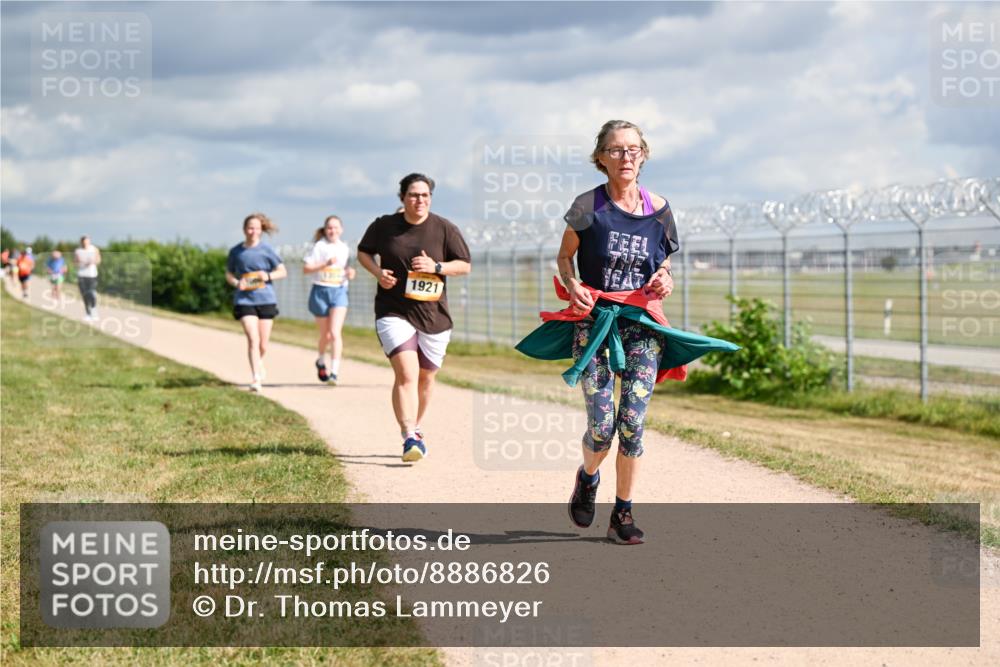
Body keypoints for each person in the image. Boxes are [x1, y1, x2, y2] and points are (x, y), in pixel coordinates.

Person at [516, 120, 738, 545]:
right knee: (602, 427)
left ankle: (623, 513)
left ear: (644, 155)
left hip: (642, 325)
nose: (626, 157)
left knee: (632, 423)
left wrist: (665, 278)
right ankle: (588, 476)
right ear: (600, 157)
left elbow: (664, 263)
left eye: (634, 149)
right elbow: (565, 258)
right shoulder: (587, 205)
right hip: (596, 323)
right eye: (616, 150)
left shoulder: (660, 208)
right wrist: (574, 284)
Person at [357, 173, 472, 462]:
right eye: (413, 195)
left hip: (434, 316)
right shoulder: (384, 227)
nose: (419, 200)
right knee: (406, 373)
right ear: (402, 198)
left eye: (424, 195)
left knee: (426, 378)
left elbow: (464, 265)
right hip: (393, 310)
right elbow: (363, 252)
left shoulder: (444, 228)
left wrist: (436, 266)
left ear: (430, 198)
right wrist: (377, 272)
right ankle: (408, 435)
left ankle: (416, 427)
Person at [225, 213, 287, 392]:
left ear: (261, 230)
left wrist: (266, 275)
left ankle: (259, 361)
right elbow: (229, 274)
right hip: (244, 300)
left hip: (266, 299)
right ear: (245, 230)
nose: (253, 231)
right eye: (250, 228)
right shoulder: (236, 252)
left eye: (256, 228)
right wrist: (238, 283)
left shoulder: (267, 250)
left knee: (263, 344)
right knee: (253, 339)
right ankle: (255, 378)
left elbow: (282, 271)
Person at [303, 215, 356, 385]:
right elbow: (306, 269)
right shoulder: (319, 246)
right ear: (325, 230)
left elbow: (346, 268)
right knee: (325, 335)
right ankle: (320, 359)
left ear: (341, 229)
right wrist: (324, 264)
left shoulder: (344, 248)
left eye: (335, 227)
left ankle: (334, 372)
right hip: (320, 290)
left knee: (335, 333)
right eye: (329, 228)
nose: (332, 231)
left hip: (339, 290)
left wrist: (350, 272)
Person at [74, 236, 102, 320]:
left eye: (87, 242)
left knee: (91, 293)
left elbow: (99, 260)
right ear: (81, 242)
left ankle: (94, 310)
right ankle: (88, 313)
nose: (85, 243)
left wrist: (92, 262)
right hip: (81, 274)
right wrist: (80, 262)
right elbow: (75, 262)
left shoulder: (94, 249)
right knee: (84, 294)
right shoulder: (78, 250)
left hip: (92, 275)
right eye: (84, 242)